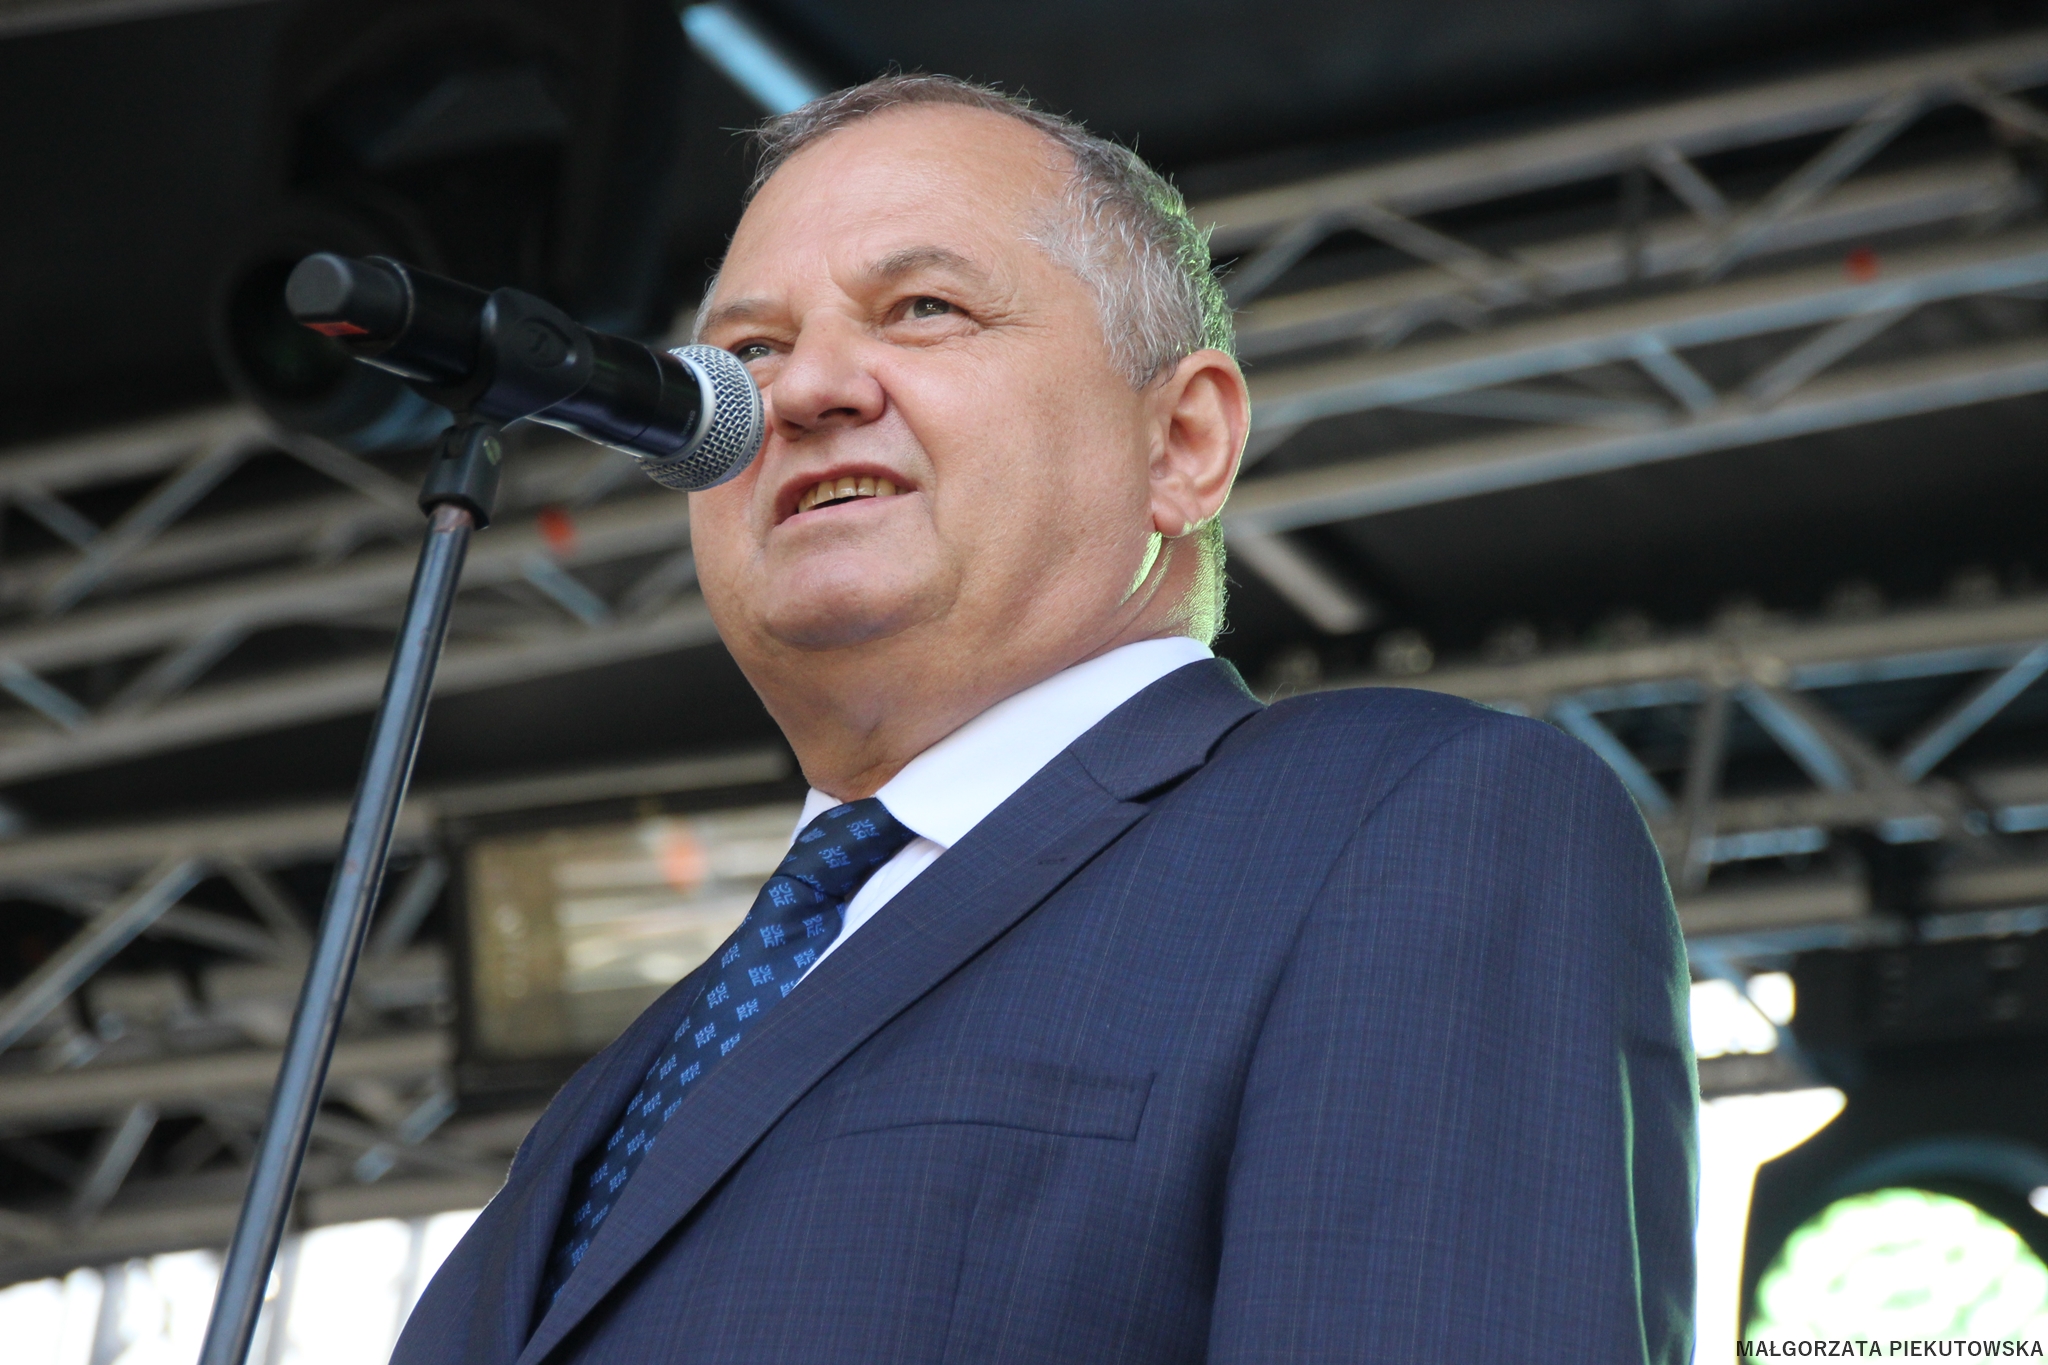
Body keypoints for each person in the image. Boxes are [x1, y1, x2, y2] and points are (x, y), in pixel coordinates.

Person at [393, 74, 1696, 1365]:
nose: (801, 391)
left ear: (1183, 442)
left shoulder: (1403, 823)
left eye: (925, 308)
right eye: (748, 352)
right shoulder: (652, 1062)